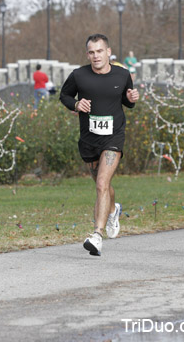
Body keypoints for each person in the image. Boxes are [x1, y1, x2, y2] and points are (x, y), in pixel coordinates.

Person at [60, 34, 139, 256]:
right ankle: (114, 209)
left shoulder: (123, 74)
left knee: (102, 183)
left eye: (99, 51)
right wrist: (76, 103)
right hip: (88, 140)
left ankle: (97, 235)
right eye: (91, 52)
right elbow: (64, 95)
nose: (95, 56)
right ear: (88, 54)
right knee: (101, 185)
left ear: (108, 52)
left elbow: (126, 101)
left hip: (113, 137)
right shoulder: (79, 75)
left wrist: (131, 98)